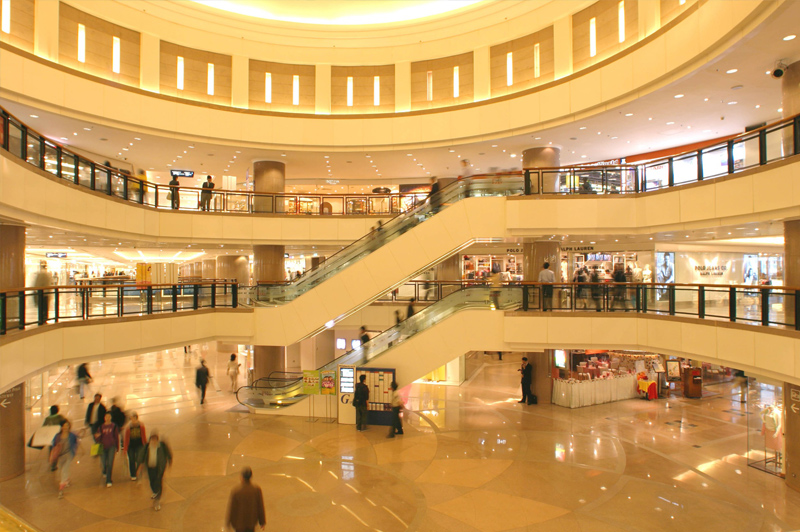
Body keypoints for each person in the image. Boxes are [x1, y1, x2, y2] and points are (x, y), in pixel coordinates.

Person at [226, 467, 266, 532]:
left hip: (239, 524)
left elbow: (232, 508)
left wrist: (229, 522)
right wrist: (262, 522)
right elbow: (260, 506)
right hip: (251, 523)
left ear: (242, 477)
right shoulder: (256, 489)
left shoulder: (236, 490)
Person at [140, 432, 172, 511]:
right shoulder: (147, 447)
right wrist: (140, 465)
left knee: (158, 482)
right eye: (152, 440)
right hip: (150, 467)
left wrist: (169, 462)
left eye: (155, 440)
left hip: (159, 468)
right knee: (152, 481)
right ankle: (155, 492)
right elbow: (142, 456)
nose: (153, 442)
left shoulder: (161, 447)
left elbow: (168, 454)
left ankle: (157, 499)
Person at [51, 421, 78, 499]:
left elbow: (76, 442)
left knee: (64, 471)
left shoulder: (71, 435)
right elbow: (53, 445)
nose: (66, 427)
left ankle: (61, 490)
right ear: (61, 427)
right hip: (60, 456)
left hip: (68, 455)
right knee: (61, 470)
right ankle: (67, 480)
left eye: (67, 426)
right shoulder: (58, 436)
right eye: (64, 426)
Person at [95, 412, 119, 487]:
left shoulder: (114, 426)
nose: (108, 418)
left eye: (109, 416)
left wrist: (117, 447)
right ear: (104, 418)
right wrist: (97, 436)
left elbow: (116, 437)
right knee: (103, 462)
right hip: (102, 447)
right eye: (106, 417)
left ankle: (109, 480)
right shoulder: (101, 427)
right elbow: (97, 439)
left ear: (111, 418)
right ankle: (104, 471)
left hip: (111, 446)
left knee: (110, 463)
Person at [123, 412, 147, 481]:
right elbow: (126, 438)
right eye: (131, 418)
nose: (132, 419)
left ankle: (137, 471)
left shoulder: (141, 426)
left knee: (139, 459)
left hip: (139, 445)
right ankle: (133, 474)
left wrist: (145, 445)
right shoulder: (128, 427)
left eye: (133, 418)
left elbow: (143, 436)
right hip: (131, 446)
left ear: (136, 418)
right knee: (131, 459)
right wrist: (125, 448)